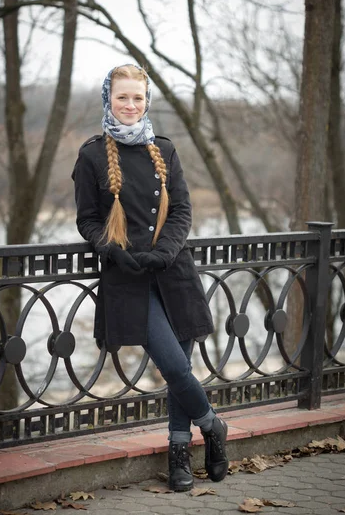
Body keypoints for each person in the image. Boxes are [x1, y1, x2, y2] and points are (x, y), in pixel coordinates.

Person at [72, 64, 228, 492]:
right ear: (109, 99)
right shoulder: (90, 154)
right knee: (175, 368)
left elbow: (182, 211)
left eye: (137, 97)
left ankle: (179, 452)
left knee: (181, 368)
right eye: (122, 97)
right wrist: (112, 251)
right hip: (127, 278)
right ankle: (213, 427)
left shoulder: (166, 149)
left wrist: (164, 252)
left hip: (173, 272)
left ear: (147, 101)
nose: (130, 105)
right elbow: (87, 220)